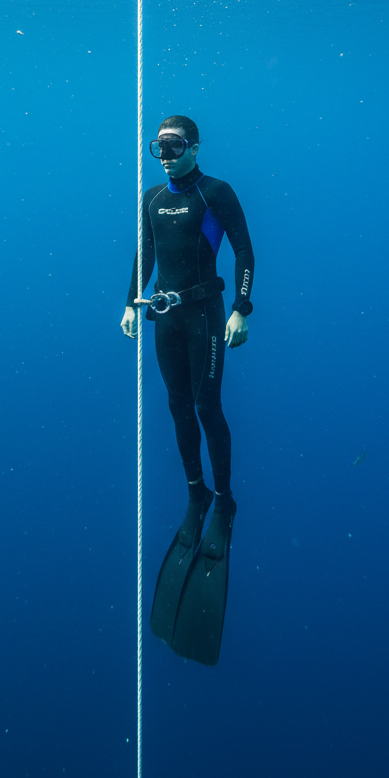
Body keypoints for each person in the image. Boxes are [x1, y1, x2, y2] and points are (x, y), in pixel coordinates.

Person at [121, 115, 254, 664]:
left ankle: (224, 501)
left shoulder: (214, 192)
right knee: (177, 408)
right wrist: (131, 302)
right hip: (165, 319)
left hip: (204, 316)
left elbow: (244, 252)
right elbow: (146, 254)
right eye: (159, 147)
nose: (166, 156)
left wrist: (241, 308)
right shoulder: (152, 198)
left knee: (205, 405)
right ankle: (196, 492)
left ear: (195, 148)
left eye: (174, 146)